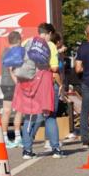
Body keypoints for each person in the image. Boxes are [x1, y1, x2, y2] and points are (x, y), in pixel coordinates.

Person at [12, 23, 59, 160]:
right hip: (43, 82)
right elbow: (55, 68)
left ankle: (27, 150)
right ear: (49, 33)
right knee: (49, 115)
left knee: (29, 116)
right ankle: (56, 148)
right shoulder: (50, 45)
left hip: (27, 83)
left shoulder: (27, 41)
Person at [0, 31, 25, 149]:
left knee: (6, 111)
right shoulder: (18, 52)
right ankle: (18, 137)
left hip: (4, 83)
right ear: (19, 40)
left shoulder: (5, 52)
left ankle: (4, 138)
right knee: (18, 110)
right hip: (14, 83)